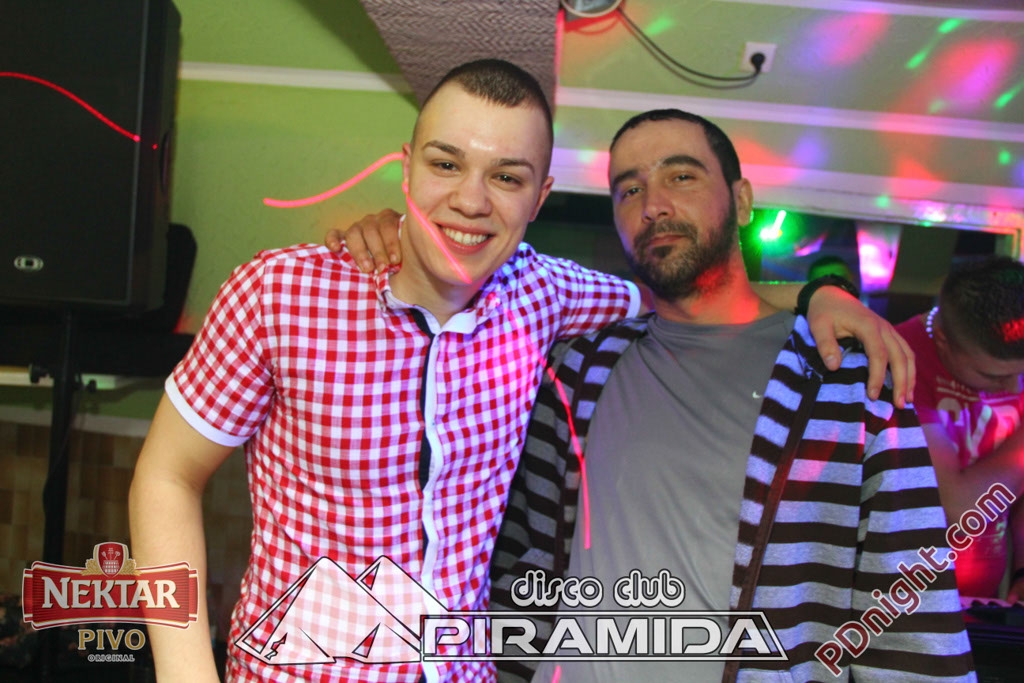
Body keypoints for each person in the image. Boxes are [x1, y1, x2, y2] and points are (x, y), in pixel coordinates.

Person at [131, 58, 910, 683]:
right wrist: (185, 670)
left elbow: (684, 290)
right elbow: (166, 475)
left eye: (506, 176)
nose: (470, 200)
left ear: (539, 196)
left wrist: (819, 294)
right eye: (446, 164)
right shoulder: (280, 293)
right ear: (406, 169)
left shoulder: (544, 293)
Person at [486, 109, 974, 682]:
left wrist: (820, 295)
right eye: (630, 190)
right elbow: (526, 562)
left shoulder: (846, 382)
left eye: (681, 176)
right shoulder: (576, 371)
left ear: (741, 202)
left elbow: (908, 609)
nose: (654, 205)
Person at [895, 258, 1024, 601]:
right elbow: (962, 509)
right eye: (993, 375)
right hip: (903, 600)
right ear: (942, 339)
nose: (1014, 386)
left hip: (982, 598)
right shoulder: (901, 358)